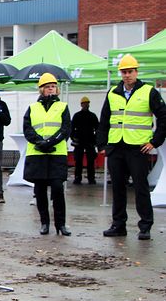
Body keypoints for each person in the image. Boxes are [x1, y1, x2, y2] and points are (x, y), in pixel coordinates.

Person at [97, 54, 166, 240]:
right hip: (116, 147)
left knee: (140, 187)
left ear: (136, 72)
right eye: (124, 72)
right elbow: (103, 120)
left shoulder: (149, 92)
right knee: (117, 188)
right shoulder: (112, 93)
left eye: (130, 71)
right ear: (120, 73)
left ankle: (145, 226)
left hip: (138, 148)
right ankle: (118, 225)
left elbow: (164, 117)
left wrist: (155, 142)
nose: (127, 75)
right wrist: (102, 145)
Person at [22, 73, 71, 236]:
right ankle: (44, 222)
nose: (51, 89)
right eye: (47, 87)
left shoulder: (63, 107)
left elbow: (65, 129)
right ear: (41, 89)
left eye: (53, 87)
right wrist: (39, 142)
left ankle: (61, 224)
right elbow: (27, 129)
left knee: (57, 189)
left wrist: (50, 142)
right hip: (37, 154)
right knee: (40, 190)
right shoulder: (32, 108)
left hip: (56, 153)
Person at [71, 96, 99, 184]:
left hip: (89, 141)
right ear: (81, 104)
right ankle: (78, 177)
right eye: (84, 103)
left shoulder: (92, 116)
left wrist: (95, 140)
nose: (86, 105)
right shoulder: (77, 116)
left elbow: (98, 128)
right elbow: (71, 128)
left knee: (91, 161)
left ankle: (91, 178)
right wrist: (74, 138)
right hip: (79, 141)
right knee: (78, 161)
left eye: (87, 103)